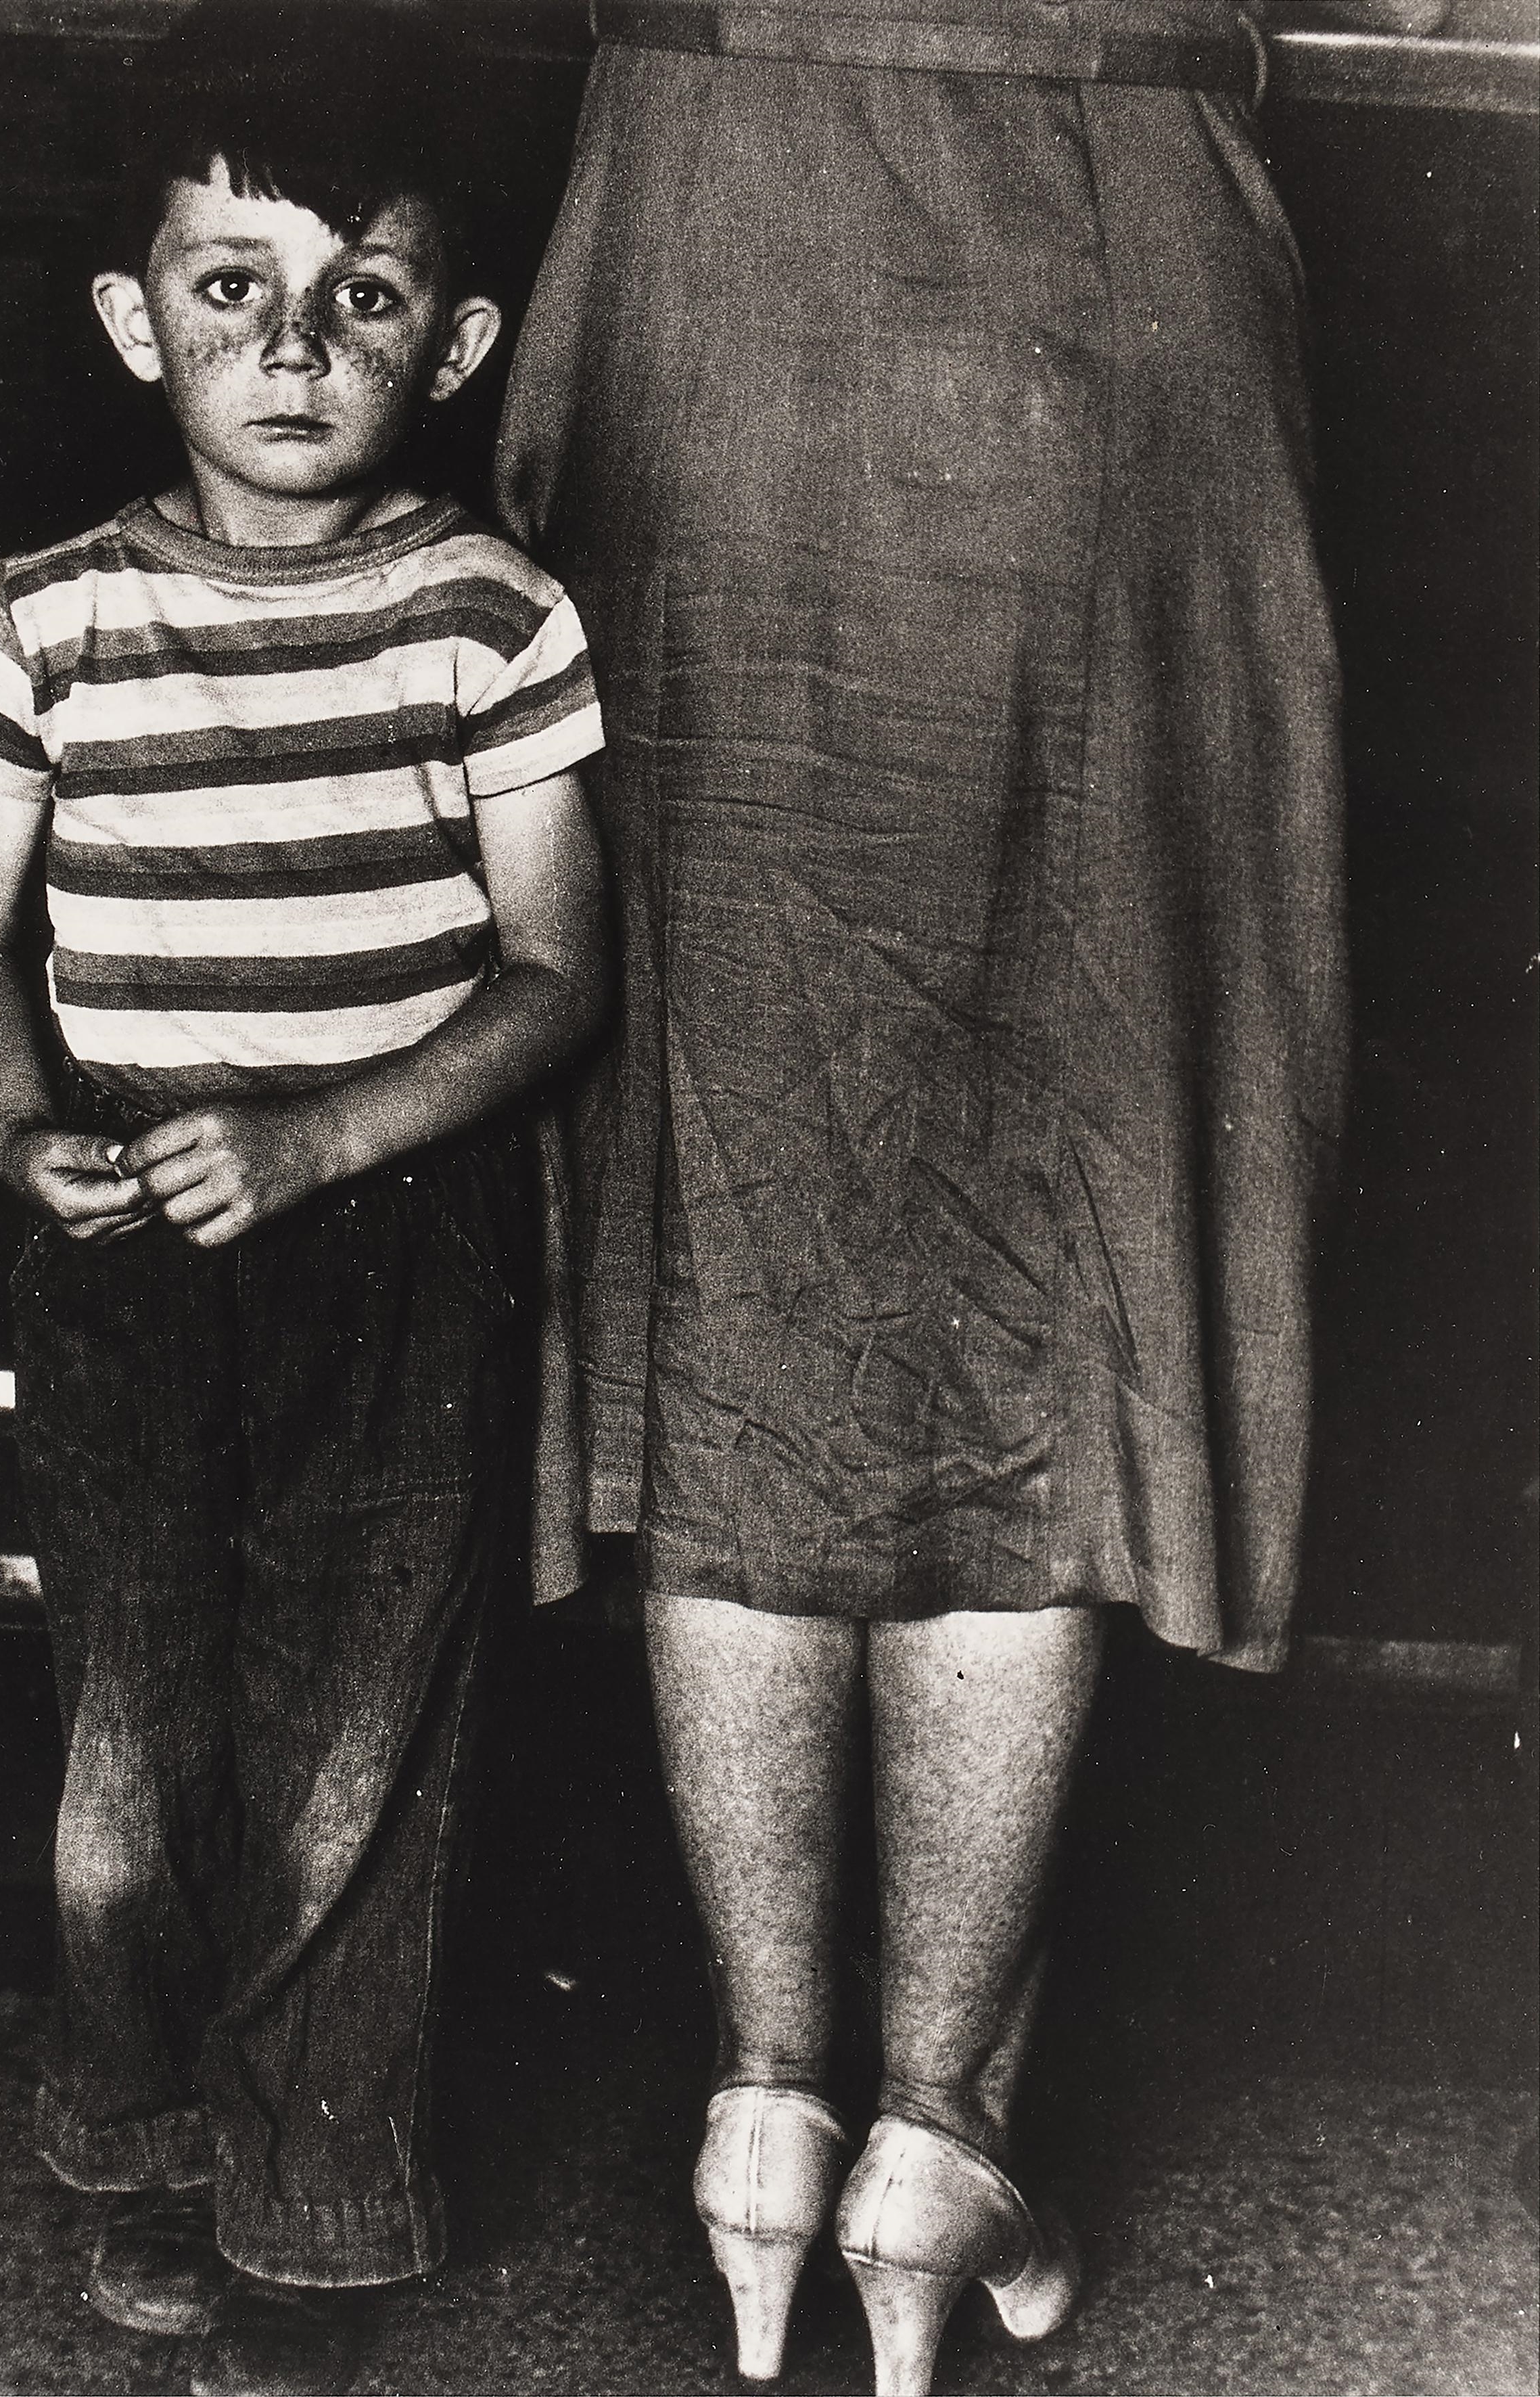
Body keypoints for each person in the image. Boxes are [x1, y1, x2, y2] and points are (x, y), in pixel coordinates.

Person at [495, 0, 1348, 2388]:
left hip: (713, 216)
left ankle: (765, 2104)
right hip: (1120, 212)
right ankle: (939, 2128)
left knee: (738, 1218)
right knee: (1047, 1234)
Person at [0, 9, 605, 2394]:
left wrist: (318, 1137)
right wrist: (25, 1134)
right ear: (134, 321)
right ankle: (143, 2139)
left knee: (349, 1751)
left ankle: (316, 2216)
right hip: (119, 1258)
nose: (296, 348)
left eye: (367, 295)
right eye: (232, 288)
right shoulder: (34, 623)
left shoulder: (487, 619)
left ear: (458, 336)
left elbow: (551, 980)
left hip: (397, 1251)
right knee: (134, 1742)